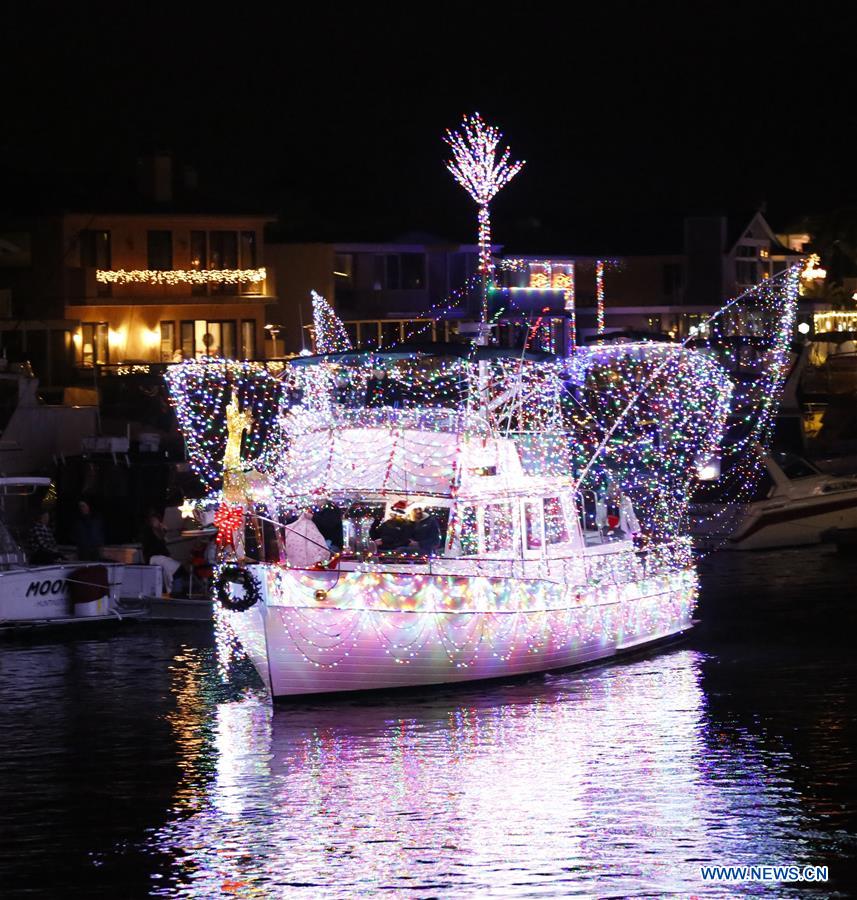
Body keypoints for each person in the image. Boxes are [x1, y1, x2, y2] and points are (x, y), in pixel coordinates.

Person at [141, 509, 188, 596]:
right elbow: (159, 540)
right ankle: (172, 591)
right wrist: (162, 530)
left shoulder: (157, 531)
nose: (157, 522)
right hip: (155, 557)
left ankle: (175, 590)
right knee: (175, 568)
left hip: (160, 556)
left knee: (176, 568)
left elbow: (165, 540)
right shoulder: (149, 531)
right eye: (155, 520)